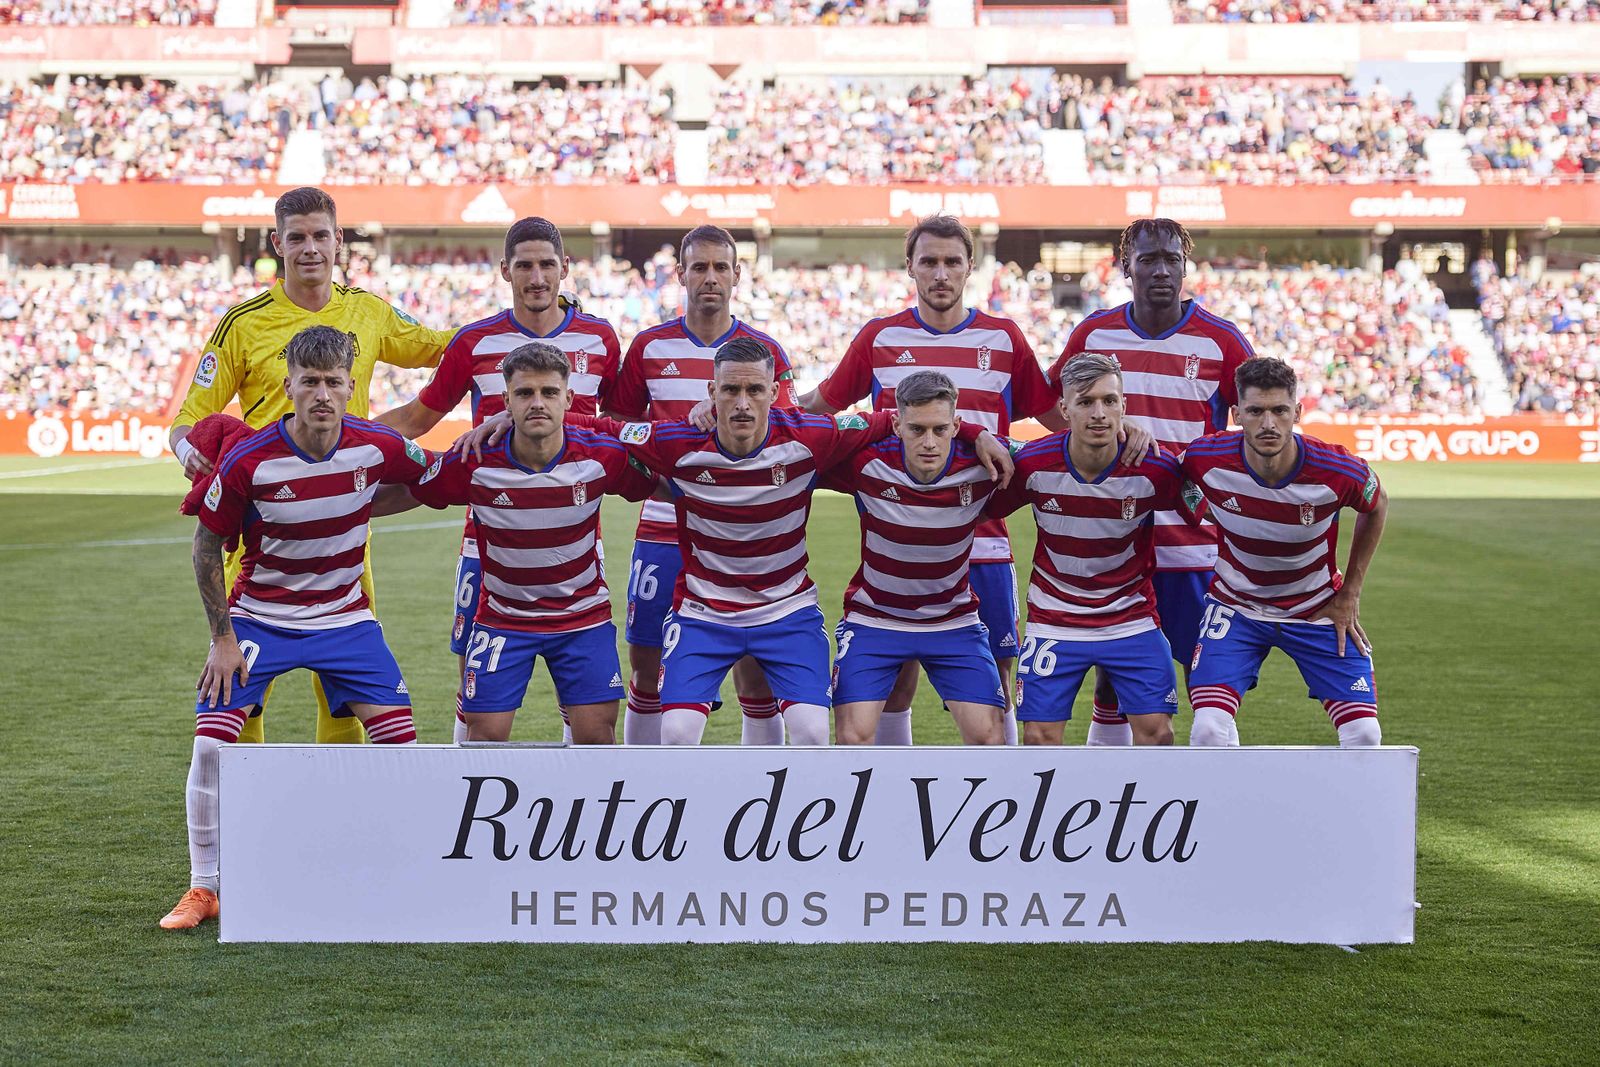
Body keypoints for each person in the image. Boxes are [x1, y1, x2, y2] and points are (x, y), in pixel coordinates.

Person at [572, 337, 1012, 747]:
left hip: (786, 610)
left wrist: (975, 432)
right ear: (712, 391)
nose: (743, 403)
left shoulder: (809, 436)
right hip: (704, 612)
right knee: (679, 733)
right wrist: (521, 416)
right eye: (730, 391)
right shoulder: (677, 441)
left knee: (812, 733)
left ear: (774, 391)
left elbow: (895, 421)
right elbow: (603, 428)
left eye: (755, 390)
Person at [160, 327, 430, 931]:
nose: (324, 395)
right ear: (290, 388)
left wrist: (367, 501)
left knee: (401, 748)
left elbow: (433, 479)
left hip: (347, 620)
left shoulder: (377, 445)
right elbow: (205, 546)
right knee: (209, 745)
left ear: (351, 387)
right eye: (310, 382)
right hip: (261, 618)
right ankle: (205, 886)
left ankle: (399, 872)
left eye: (335, 382)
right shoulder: (250, 459)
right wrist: (222, 640)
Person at [168, 186, 452, 744]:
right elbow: (188, 418)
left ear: (338, 240)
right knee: (242, 688)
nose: (310, 249)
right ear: (277, 244)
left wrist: (509, 326)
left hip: (345, 526)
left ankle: (336, 819)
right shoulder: (242, 323)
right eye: (296, 238)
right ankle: (244, 814)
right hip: (260, 533)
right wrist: (190, 451)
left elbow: (441, 347)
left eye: (320, 235)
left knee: (343, 690)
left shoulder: (368, 312)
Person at [799, 215, 1086, 747]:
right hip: (898, 538)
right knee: (896, 684)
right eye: (928, 260)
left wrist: (1122, 433)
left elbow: (1056, 421)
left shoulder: (1003, 339)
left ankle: (1009, 799)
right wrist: (756, 411)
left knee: (1001, 679)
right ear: (910, 266)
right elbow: (819, 408)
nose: (940, 273)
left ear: (970, 267)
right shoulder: (880, 338)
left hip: (986, 540)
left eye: (952, 261)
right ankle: (888, 801)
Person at [376, 217, 618, 743]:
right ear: (505, 270)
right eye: (525, 266)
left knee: (581, 695)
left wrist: (514, 418)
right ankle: (467, 792)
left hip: (576, 536)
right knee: (475, 677)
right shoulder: (474, 342)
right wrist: (340, 440)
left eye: (547, 265)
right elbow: (417, 421)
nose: (536, 277)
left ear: (565, 269)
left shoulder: (599, 339)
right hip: (485, 545)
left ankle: (578, 801)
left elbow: (614, 430)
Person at [375, 343, 654, 745]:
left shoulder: (601, 457)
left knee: (597, 740)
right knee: (483, 740)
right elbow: (409, 491)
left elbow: (661, 483)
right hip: (504, 620)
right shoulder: (474, 460)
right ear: (506, 401)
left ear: (569, 399)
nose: (537, 403)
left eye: (549, 393)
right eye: (524, 394)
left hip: (581, 620)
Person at [1047, 218, 1254, 746]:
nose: (1161, 270)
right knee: (1114, 677)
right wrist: (1100, 447)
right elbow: (1050, 406)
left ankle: (1213, 801)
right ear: (1126, 267)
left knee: (1205, 680)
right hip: (1113, 540)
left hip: (1194, 545)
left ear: (1185, 267)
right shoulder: (1094, 335)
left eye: (1172, 260)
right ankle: (1113, 808)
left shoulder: (1222, 341)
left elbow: (1258, 422)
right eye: (1148, 259)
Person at [606, 225, 799, 746]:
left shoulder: (764, 351)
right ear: (681, 274)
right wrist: (658, 482)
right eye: (699, 268)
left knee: (755, 673)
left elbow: (789, 430)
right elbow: (620, 431)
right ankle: (643, 792)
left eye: (720, 268)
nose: (709, 278)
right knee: (646, 663)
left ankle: (766, 793)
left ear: (737, 276)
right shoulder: (649, 347)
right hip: (664, 527)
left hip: (743, 536)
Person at [1180, 357, 1388, 749]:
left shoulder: (1338, 469)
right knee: (1208, 729)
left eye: (1279, 410)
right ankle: (1228, 809)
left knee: (1364, 735)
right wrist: (1200, 514)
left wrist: (1351, 593)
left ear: (1297, 411)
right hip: (1235, 608)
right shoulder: (1205, 458)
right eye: (1256, 411)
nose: (1269, 423)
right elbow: (1177, 478)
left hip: (1317, 607)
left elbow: (1377, 504)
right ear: (1237, 414)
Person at [987, 353, 1189, 745]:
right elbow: (978, 504)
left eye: (1109, 401)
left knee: (1158, 736)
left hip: (1131, 618)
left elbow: (1211, 507)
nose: (1099, 413)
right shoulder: (1033, 464)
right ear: (1064, 408)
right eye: (1085, 402)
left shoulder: (1156, 468)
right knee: (1040, 739)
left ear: (1124, 406)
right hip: (1054, 619)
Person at [822, 370, 1006, 746]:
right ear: (896, 424)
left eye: (940, 429)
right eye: (916, 429)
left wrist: (978, 434)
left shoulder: (983, 465)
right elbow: (805, 434)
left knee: (990, 741)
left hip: (952, 621)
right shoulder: (865, 462)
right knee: (852, 739)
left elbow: (1058, 454)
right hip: (876, 619)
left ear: (956, 425)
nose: (929, 442)